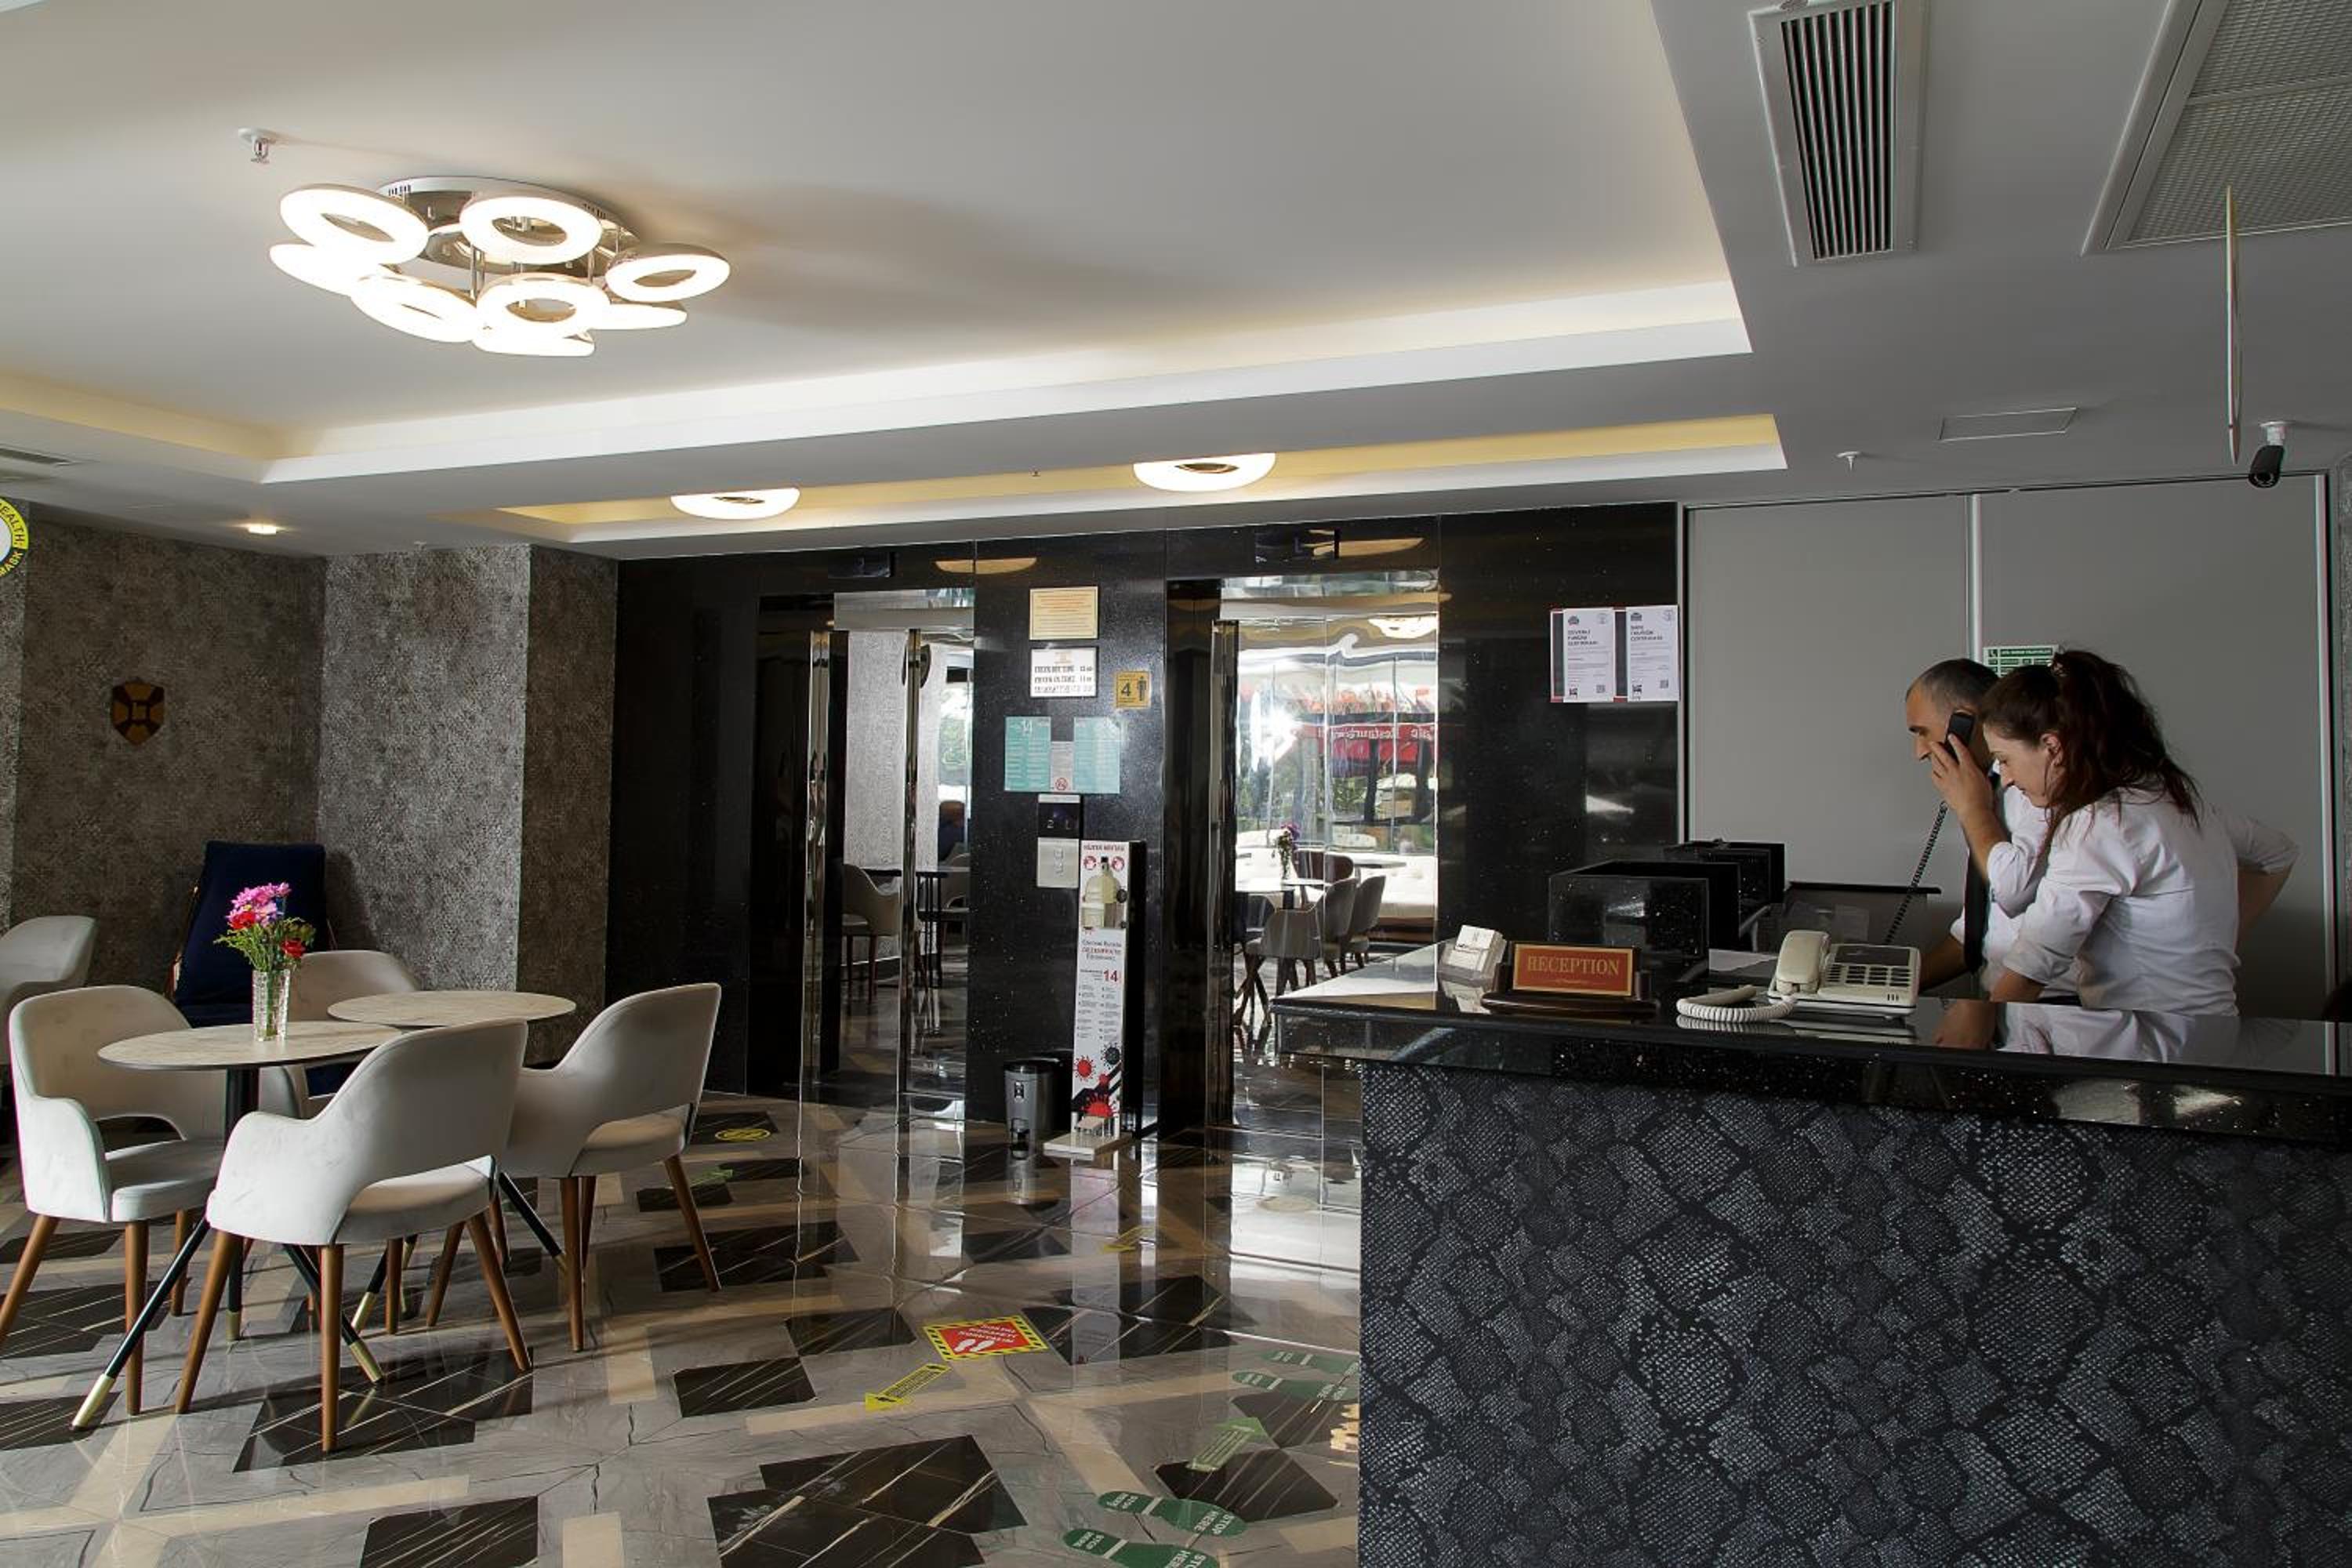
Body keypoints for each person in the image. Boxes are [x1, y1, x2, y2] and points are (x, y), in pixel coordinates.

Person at [1930, 649, 2296, 1015]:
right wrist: (2220, 943)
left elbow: (2031, 970)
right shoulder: (2180, 803)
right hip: (2214, 1028)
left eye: (2006, 760)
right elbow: (2278, 852)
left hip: (2143, 1038)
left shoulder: (2098, 826)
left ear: (2053, 747)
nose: (2006, 779)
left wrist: (1981, 1020)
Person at [1903, 658, 2056, 995]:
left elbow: (2014, 891)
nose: (1919, 752)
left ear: (1963, 721)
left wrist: (1972, 809)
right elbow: (1975, 934)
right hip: (2002, 1001)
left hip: (2051, 1004)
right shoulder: (1988, 790)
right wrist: (1888, 987)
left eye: (1922, 732)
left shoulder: (2034, 790)